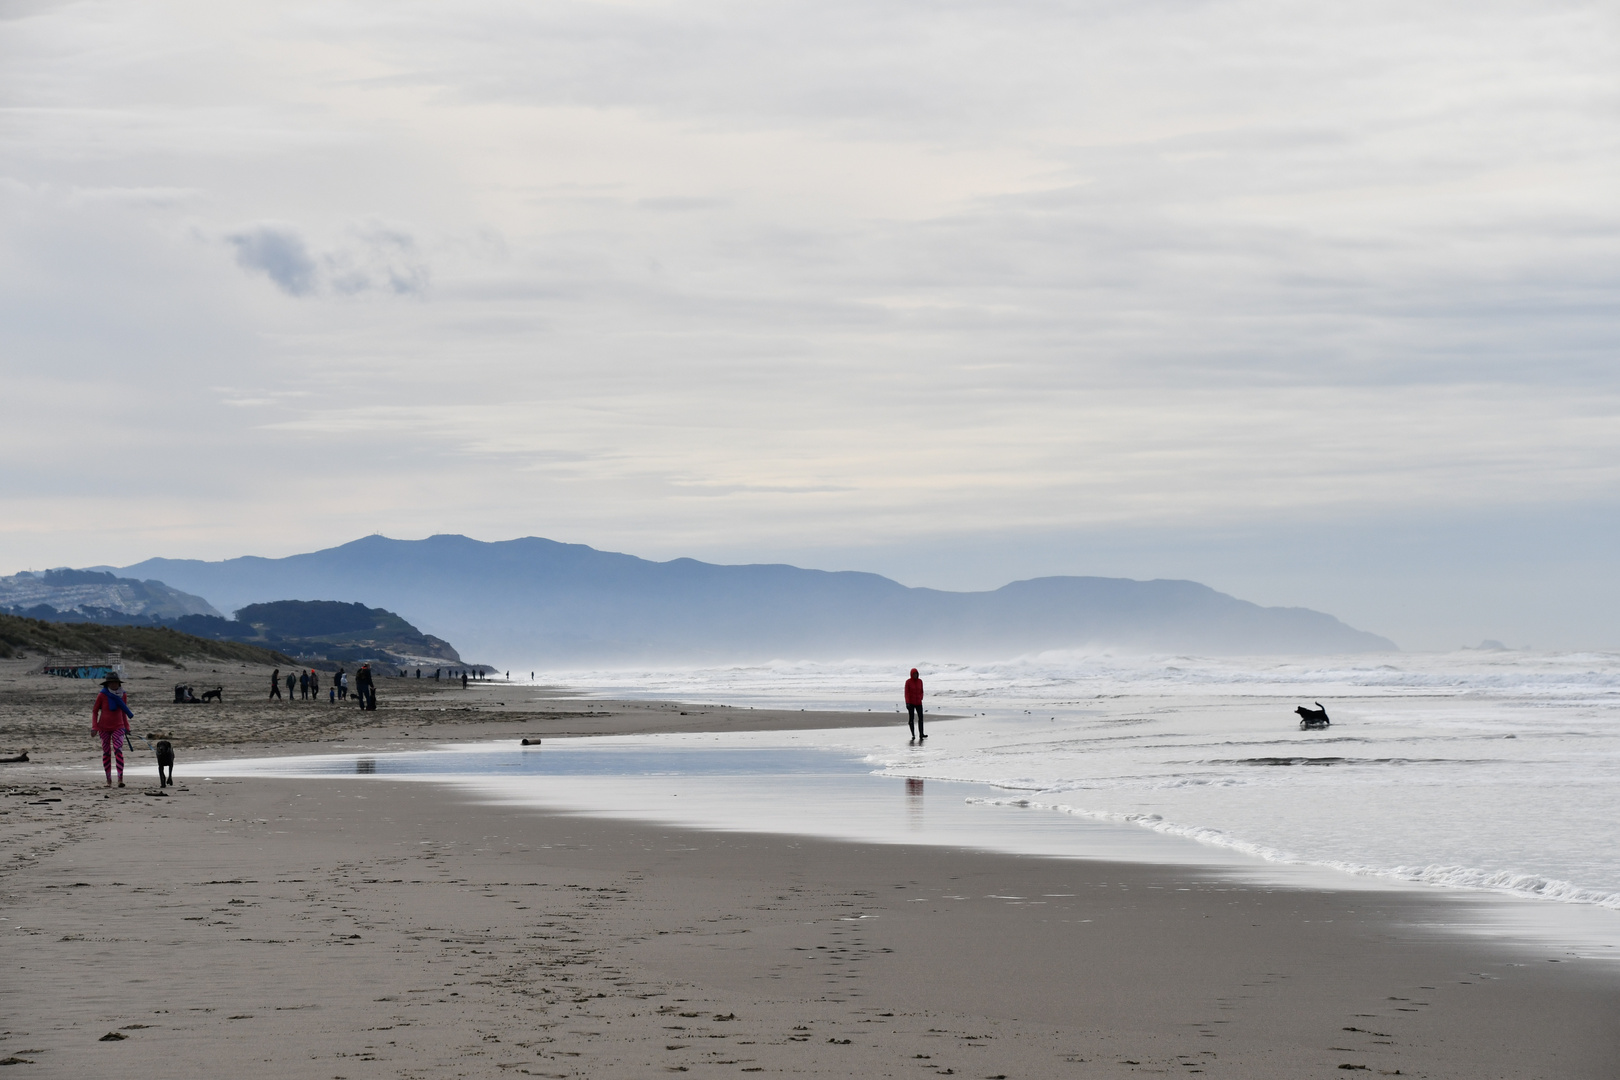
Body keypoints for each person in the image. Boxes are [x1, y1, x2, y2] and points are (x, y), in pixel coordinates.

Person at [92, 673, 133, 787]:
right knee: (106, 753)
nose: (113, 684)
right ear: (107, 684)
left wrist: (127, 727)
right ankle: (108, 780)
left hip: (118, 727)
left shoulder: (123, 695)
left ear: (118, 683)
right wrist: (94, 727)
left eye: (115, 682)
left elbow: (124, 712)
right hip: (103, 728)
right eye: (111, 682)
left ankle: (120, 779)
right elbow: (95, 711)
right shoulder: (102, 695)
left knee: (118, 751)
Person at [904, 668, 925, 739]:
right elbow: (906, 693)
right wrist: (907, 702)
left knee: (921, 718)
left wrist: (921, 697)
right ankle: (913, 734)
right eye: (914, 674)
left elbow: (922, 691)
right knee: (911, 719)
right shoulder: (908, 682)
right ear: (911, 674)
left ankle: (921, 734)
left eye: (916, 674)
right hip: (911, 703)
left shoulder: (920, 681)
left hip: (918, 702)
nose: (915, 675)